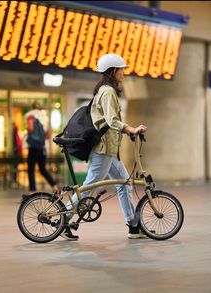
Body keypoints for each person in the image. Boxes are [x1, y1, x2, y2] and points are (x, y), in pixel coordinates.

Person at [60, 53, 147, 241]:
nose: (124, 72)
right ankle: (63, 218)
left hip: (111, 150)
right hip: (104, 148)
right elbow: (111, 119)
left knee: (124, 185)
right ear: (113, 71)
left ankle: (133, 226)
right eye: (122, 69)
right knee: (89, 187)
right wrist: (130, 129)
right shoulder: (107, 91)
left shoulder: (107, 90)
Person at [25, 101, 58, 192]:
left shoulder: (31, 116)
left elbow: (31, 128)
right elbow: (48, 135)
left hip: (33, 147)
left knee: (31, 169)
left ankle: (32, 191)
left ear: (32, 108)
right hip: (42, 147)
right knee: (42, 169)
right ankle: (54, 186)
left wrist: (28, 129)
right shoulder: (45, 118)